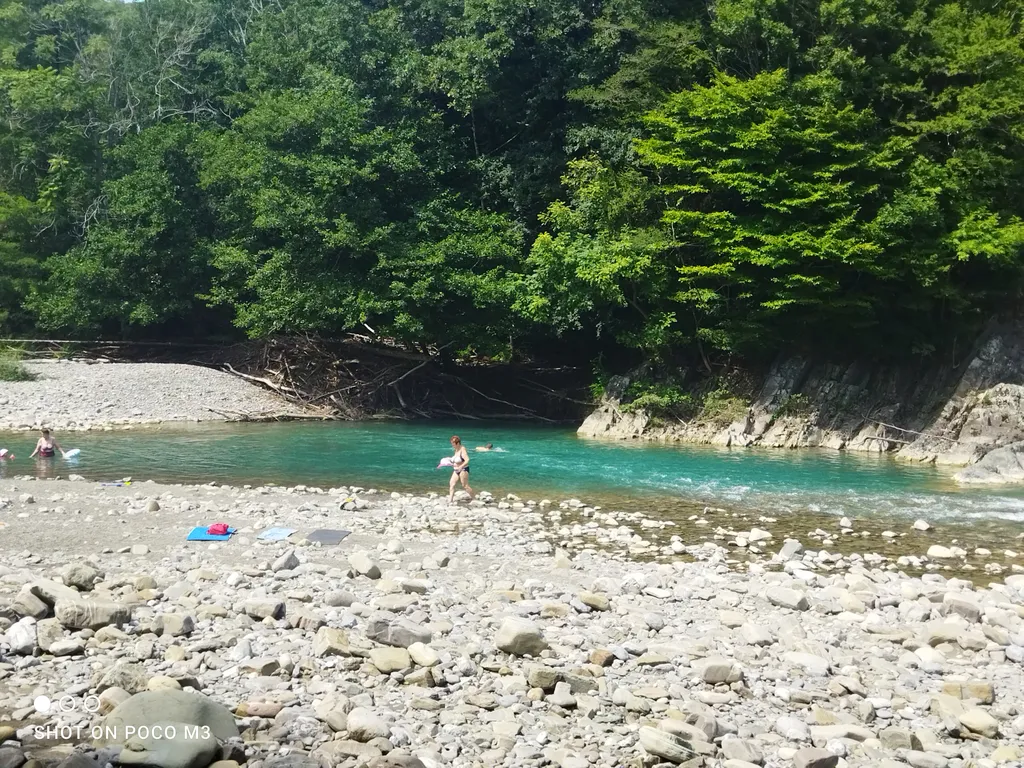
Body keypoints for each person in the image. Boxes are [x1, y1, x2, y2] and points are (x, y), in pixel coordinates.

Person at [447, 435, 475, 504]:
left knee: (465, 485)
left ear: (458, 443)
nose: (452, 445)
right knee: (452, 484)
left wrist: (461, 466)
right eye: (452, 444)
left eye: (453, 444)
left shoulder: (462, 449)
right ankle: (450, 500)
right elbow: (456, 460)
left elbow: (467, 460)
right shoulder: (456, 449)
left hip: (463, 469)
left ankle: (474, 498)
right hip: (456, 469)